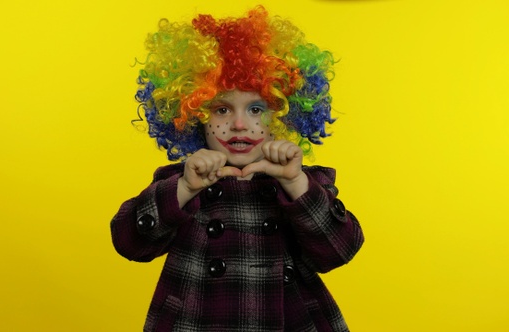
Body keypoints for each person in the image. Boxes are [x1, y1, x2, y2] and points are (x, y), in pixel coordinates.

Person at [111, 6, 364, 331]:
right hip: (196, 322)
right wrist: (185, 189)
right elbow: (129, 242)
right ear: (194, 114)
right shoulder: (181, 182)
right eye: (221, 109)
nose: (240, 124)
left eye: (257, 108)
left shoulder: (302, 182)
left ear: (283, 114)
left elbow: (340, 251)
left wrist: (296, 183)